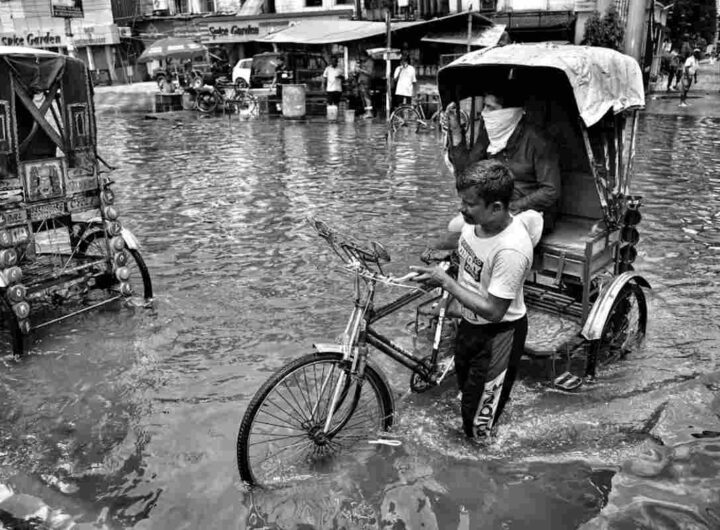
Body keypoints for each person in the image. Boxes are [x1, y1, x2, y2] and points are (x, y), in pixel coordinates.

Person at [410, 160, 542, 441]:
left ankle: (482, 470)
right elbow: (458, 238)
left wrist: (445, 281)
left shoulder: (511, 250)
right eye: (462, 201)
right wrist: (429, 245)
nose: (462, 209)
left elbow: (495, 311)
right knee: (468, 394)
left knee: (477, 427)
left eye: (470, 204)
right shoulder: (475, 223)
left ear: (496, 207)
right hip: (469, 325)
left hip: (499, 335)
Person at [443, 90, 561, 231]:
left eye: (491, 108)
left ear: (509, 112)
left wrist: (513, 206)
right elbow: (466, 172)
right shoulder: (489, 135)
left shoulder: (538, 140)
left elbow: (550, 190)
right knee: (454, 227)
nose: (484, 113)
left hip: (530, 211)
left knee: (488, 230)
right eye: (484, 107)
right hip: (495, 207)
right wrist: (456, 131)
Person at [355, 54, 374, 119]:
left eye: (362, 57)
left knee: (367, 97)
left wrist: (361, 70)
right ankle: (366, 112)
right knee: (363, 98)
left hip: (366, 82)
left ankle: (369, 112)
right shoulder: (362, 62)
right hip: (361, 82)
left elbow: (369, 73)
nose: (361, 59)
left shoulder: (370, 62)